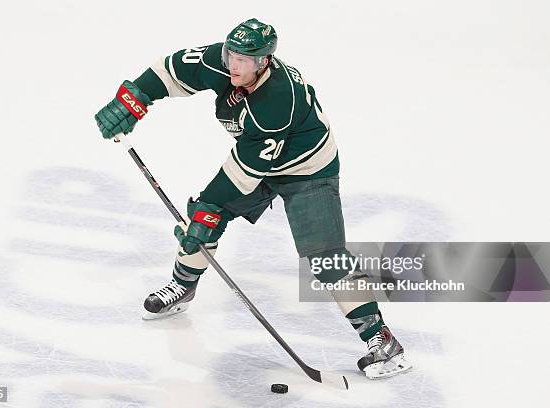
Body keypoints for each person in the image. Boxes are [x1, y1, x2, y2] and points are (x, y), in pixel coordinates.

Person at [94, 18, 411, 379]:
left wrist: (207, 212)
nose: (234, 64)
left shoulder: (277, 99)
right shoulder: (222, 60)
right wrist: (134, 97)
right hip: (260, 160)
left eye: (244, 60)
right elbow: (170, 70)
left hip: (308, 171)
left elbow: (245, 168)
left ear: (264, 62)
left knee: (325, 257)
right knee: (205, 214)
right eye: (232, 54)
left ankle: (382, 342)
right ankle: (183, 287)